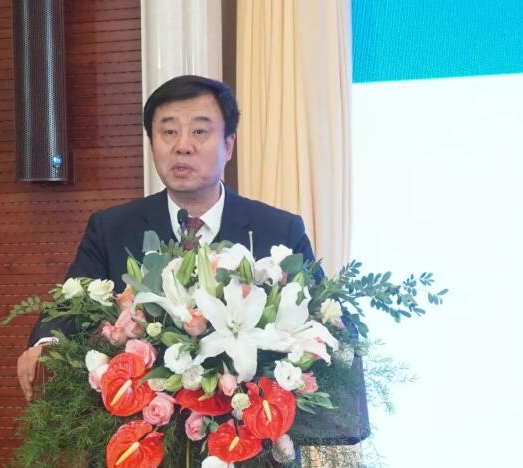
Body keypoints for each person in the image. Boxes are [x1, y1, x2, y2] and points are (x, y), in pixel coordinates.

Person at [17, 75, 320, 400]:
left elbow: (324, 323)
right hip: (138, 416)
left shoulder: (279, 230)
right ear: (152, 145)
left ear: (229, 145)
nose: (183, 146)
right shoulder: (111, 229)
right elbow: (68, 308)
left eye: (200, 131)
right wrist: (46, 346)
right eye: (169, 132)